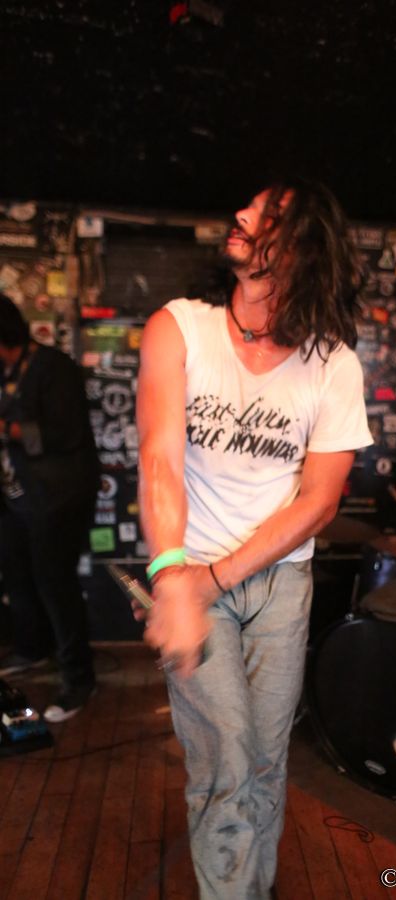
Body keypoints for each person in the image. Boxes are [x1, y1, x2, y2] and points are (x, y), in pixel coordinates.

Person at [136, 178, 373, 899]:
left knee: (266, 762)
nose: (241, 214)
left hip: (278, 584)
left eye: (268, 215)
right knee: (227, 760)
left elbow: (320, 501)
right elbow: (159, 459)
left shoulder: (333, 364)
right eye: (249, 205)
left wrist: (212, 581)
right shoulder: (179, 327)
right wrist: (174, 577)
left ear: (304, 249)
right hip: (191, 572)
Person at [0, 293, 99, 721]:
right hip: (16, 495)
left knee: (55, 583)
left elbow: (64, 434)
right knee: (17, 574)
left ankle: (79, 679)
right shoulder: (7, 371)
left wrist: (8, 428)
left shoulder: (53, 367)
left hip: (58, 496)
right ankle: (32, 648)